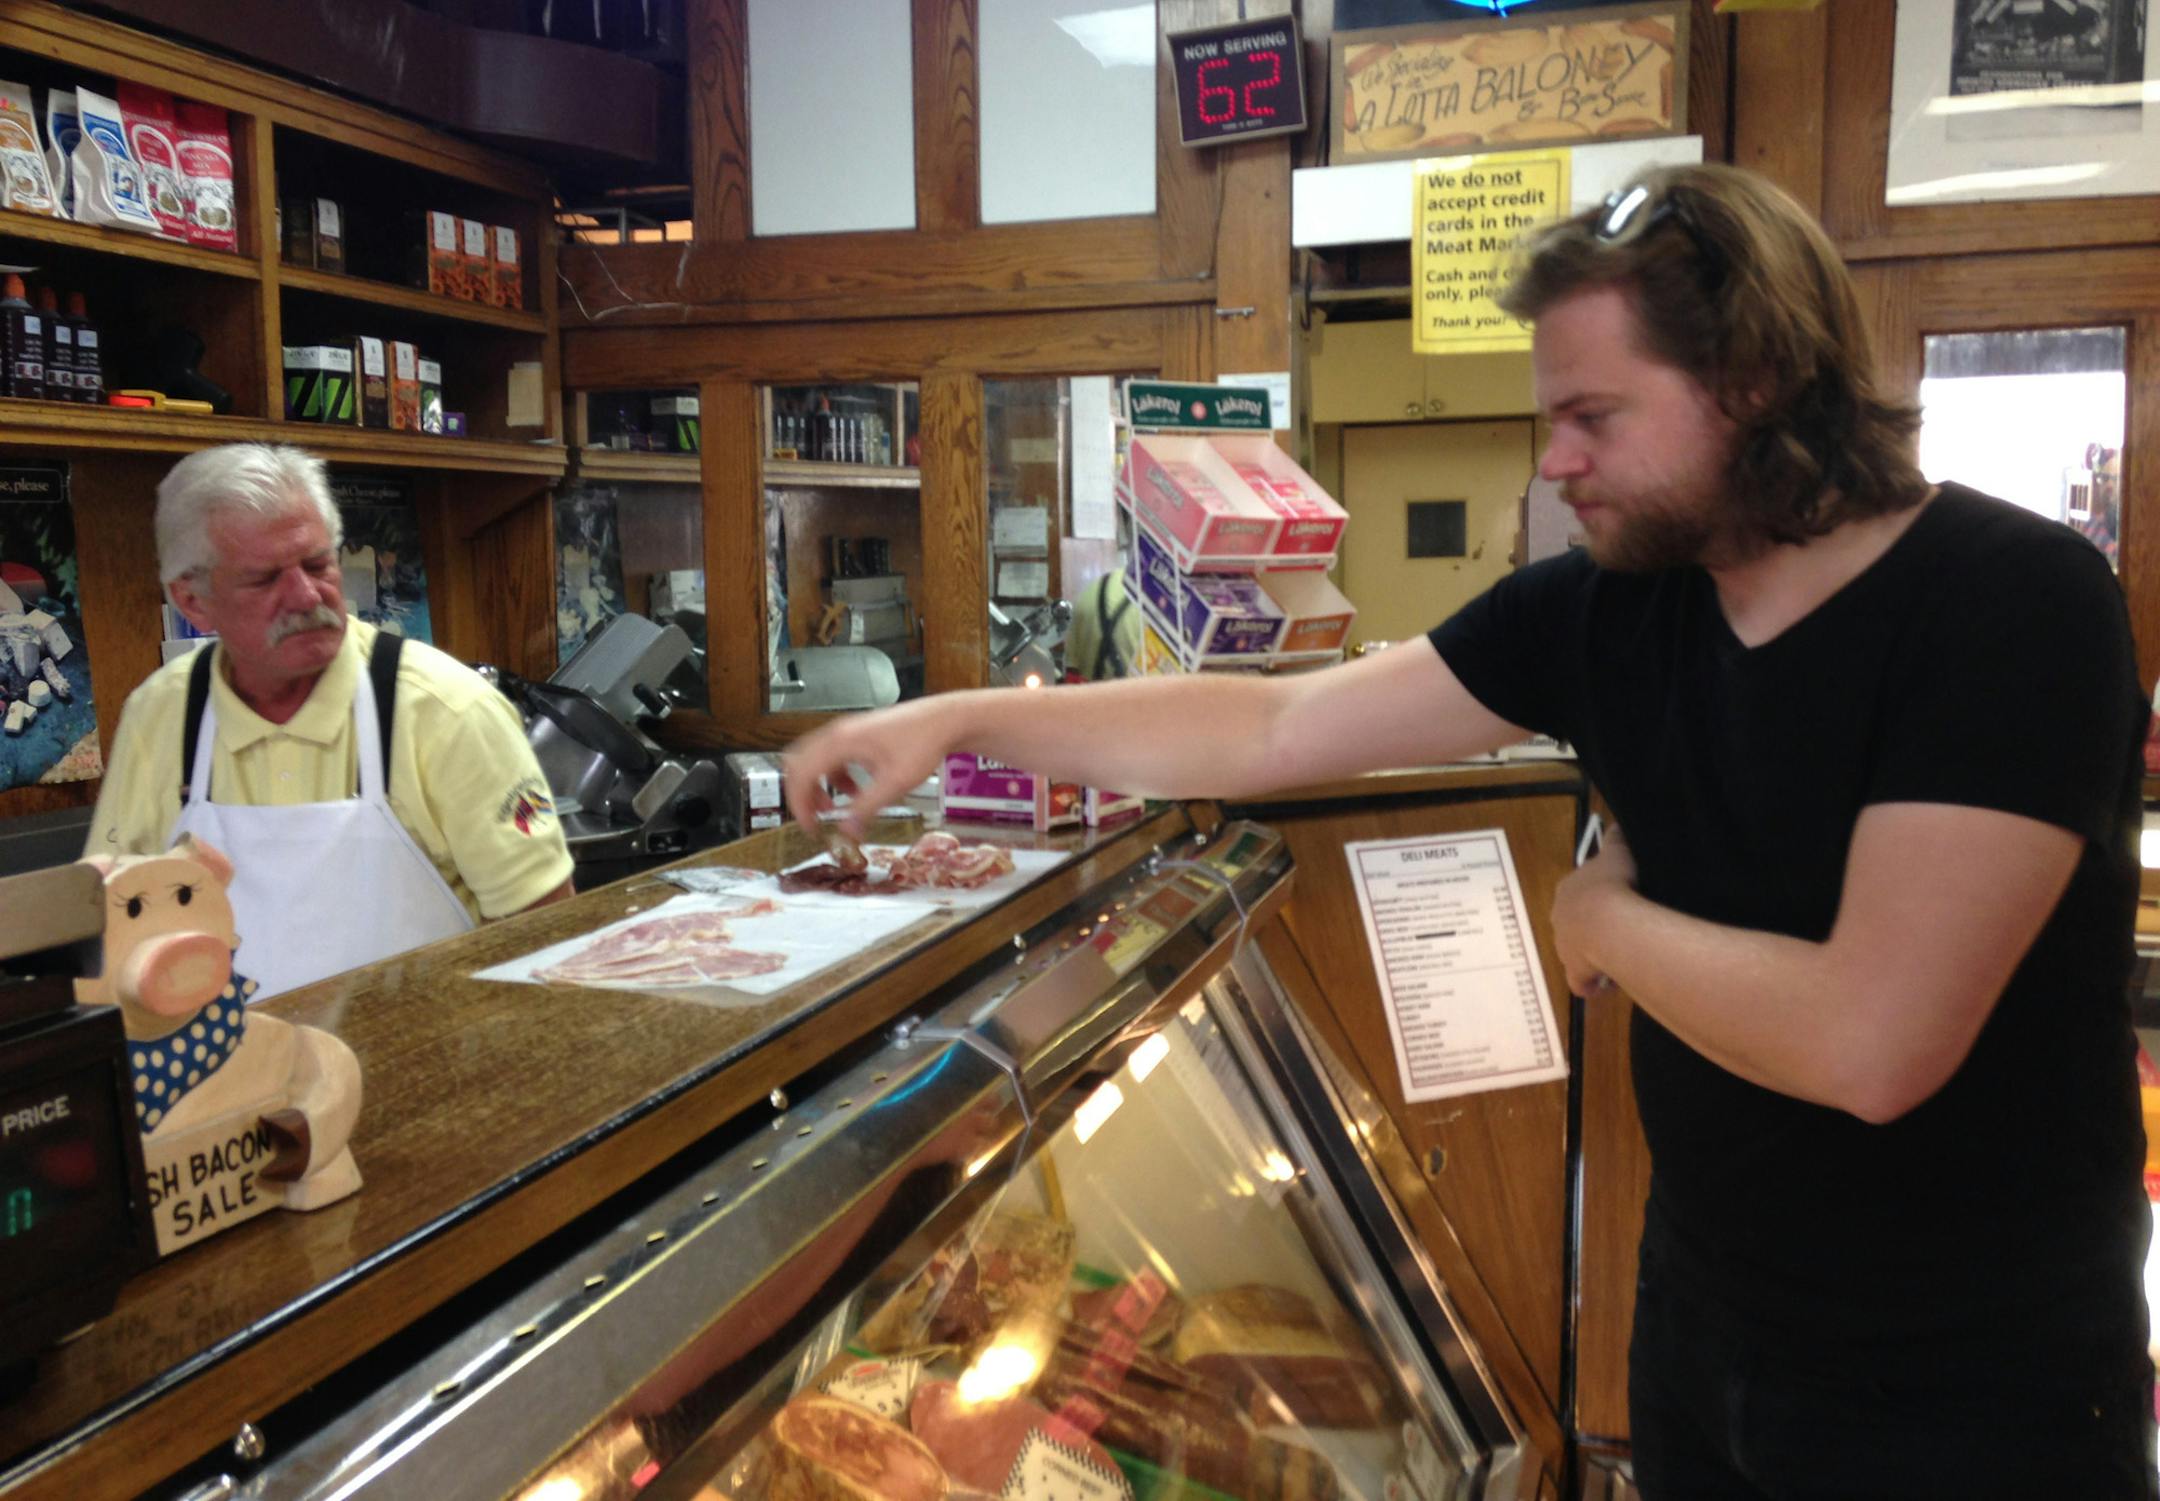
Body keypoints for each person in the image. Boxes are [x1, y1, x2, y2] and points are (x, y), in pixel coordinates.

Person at [786, 164, 2155, 1498]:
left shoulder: (2009, 605)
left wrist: (1599, 917)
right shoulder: (1610, 606)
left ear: (1752, 381)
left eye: (1593, 416)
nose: (1555, 461)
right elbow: (1272, 727)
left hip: (1970, 1378)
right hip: (1704, 1317)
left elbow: (1872, 1042)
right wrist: (961, 721)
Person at [89, 443, 574, 1000]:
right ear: (193, 602)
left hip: (424, 1047)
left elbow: (548, 939)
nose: (305, 596)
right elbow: (113, 922)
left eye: (318, 564)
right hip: (226, 1052)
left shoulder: (446, 710)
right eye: (263, 579)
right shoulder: (161, 713)